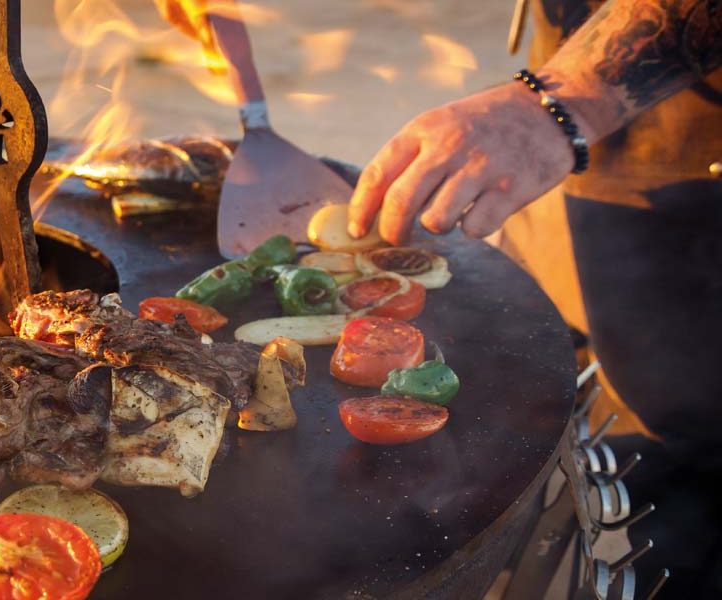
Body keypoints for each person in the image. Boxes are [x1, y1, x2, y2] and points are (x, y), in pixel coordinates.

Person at [158, 0, 722, 597]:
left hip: (690, 157)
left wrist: (562, 101)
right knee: (558, 376)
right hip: (568, 89)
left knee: (682, 450)